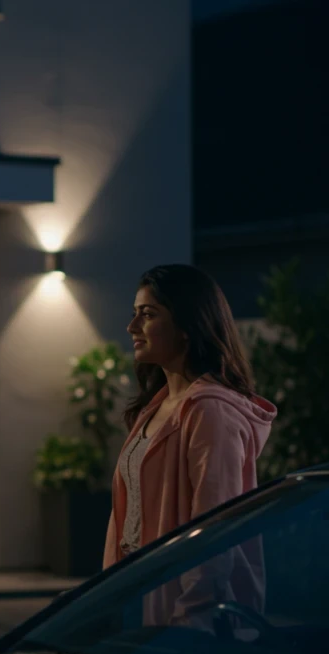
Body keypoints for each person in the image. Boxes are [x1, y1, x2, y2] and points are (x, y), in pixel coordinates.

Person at [102, 263, 276, 631]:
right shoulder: (156, 407)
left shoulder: (210, 411)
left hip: (183, 614)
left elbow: (215, 529)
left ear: (187, 326)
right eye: (134, 313)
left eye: (148, 314)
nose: (132, 327)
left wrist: (191, 617)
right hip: (136, 595)